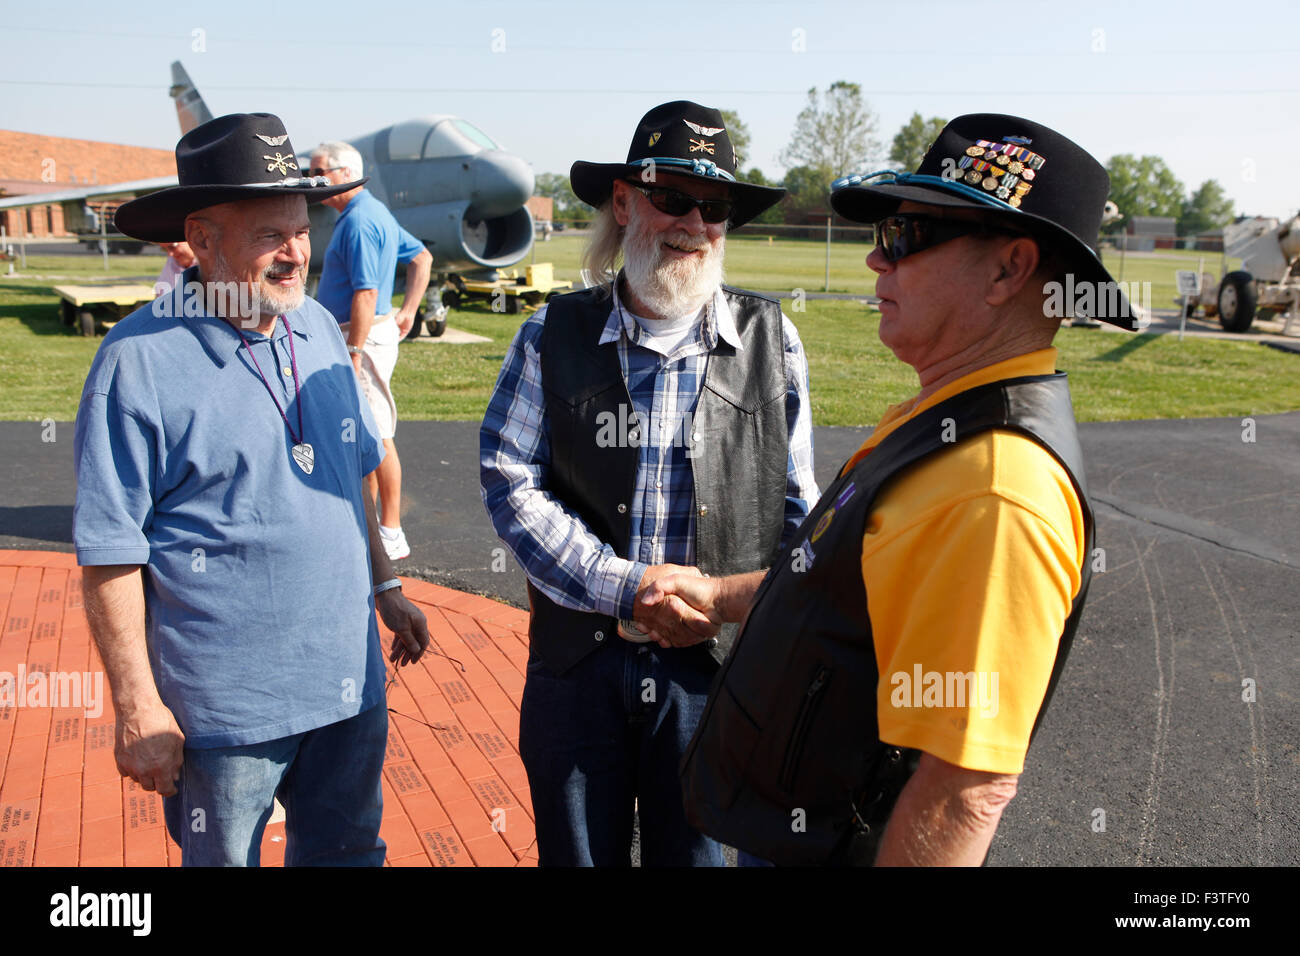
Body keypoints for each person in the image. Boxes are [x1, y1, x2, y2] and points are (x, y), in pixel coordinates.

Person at [647, 114, 1143, 866]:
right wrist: (719, 597)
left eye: (906, 235)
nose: (877, 260)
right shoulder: (941, 418)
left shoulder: (994, 485)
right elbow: (839, 586)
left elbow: (964, 787)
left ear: (1009, 270)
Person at [76, 113, 430, 867]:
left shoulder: (322, 333)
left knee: (348, 857)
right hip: (225, 715)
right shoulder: (135, 362)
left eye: (300, 229)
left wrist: (386, 584)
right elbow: (110, 551)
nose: (296, 252)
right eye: (269, 233)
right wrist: (138, 704)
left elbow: (349, 482)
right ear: (202, 239)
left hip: (348, 689)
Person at [479, 101, 819, 866]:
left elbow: (799, 512)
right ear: (625, 202)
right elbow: (509, 479)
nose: (693, 223)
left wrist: (728, 607)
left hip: (713, 675)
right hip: (578, 667)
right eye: (673, 197)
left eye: (716, 206)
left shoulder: (772, 340)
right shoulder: (550, 332)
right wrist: (625, 586)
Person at [310, 141, 433, 562]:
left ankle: (391, 531)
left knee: (378, 435)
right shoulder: (370, 212)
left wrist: (354, 349)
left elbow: (365, 292)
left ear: (344, 173)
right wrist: (409, 312)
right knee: (364, 432)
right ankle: (367, 525)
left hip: (359, 337)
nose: (313, 179)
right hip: (367, 334)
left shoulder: (360, 221)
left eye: (319, 170)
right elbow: (421, 257)